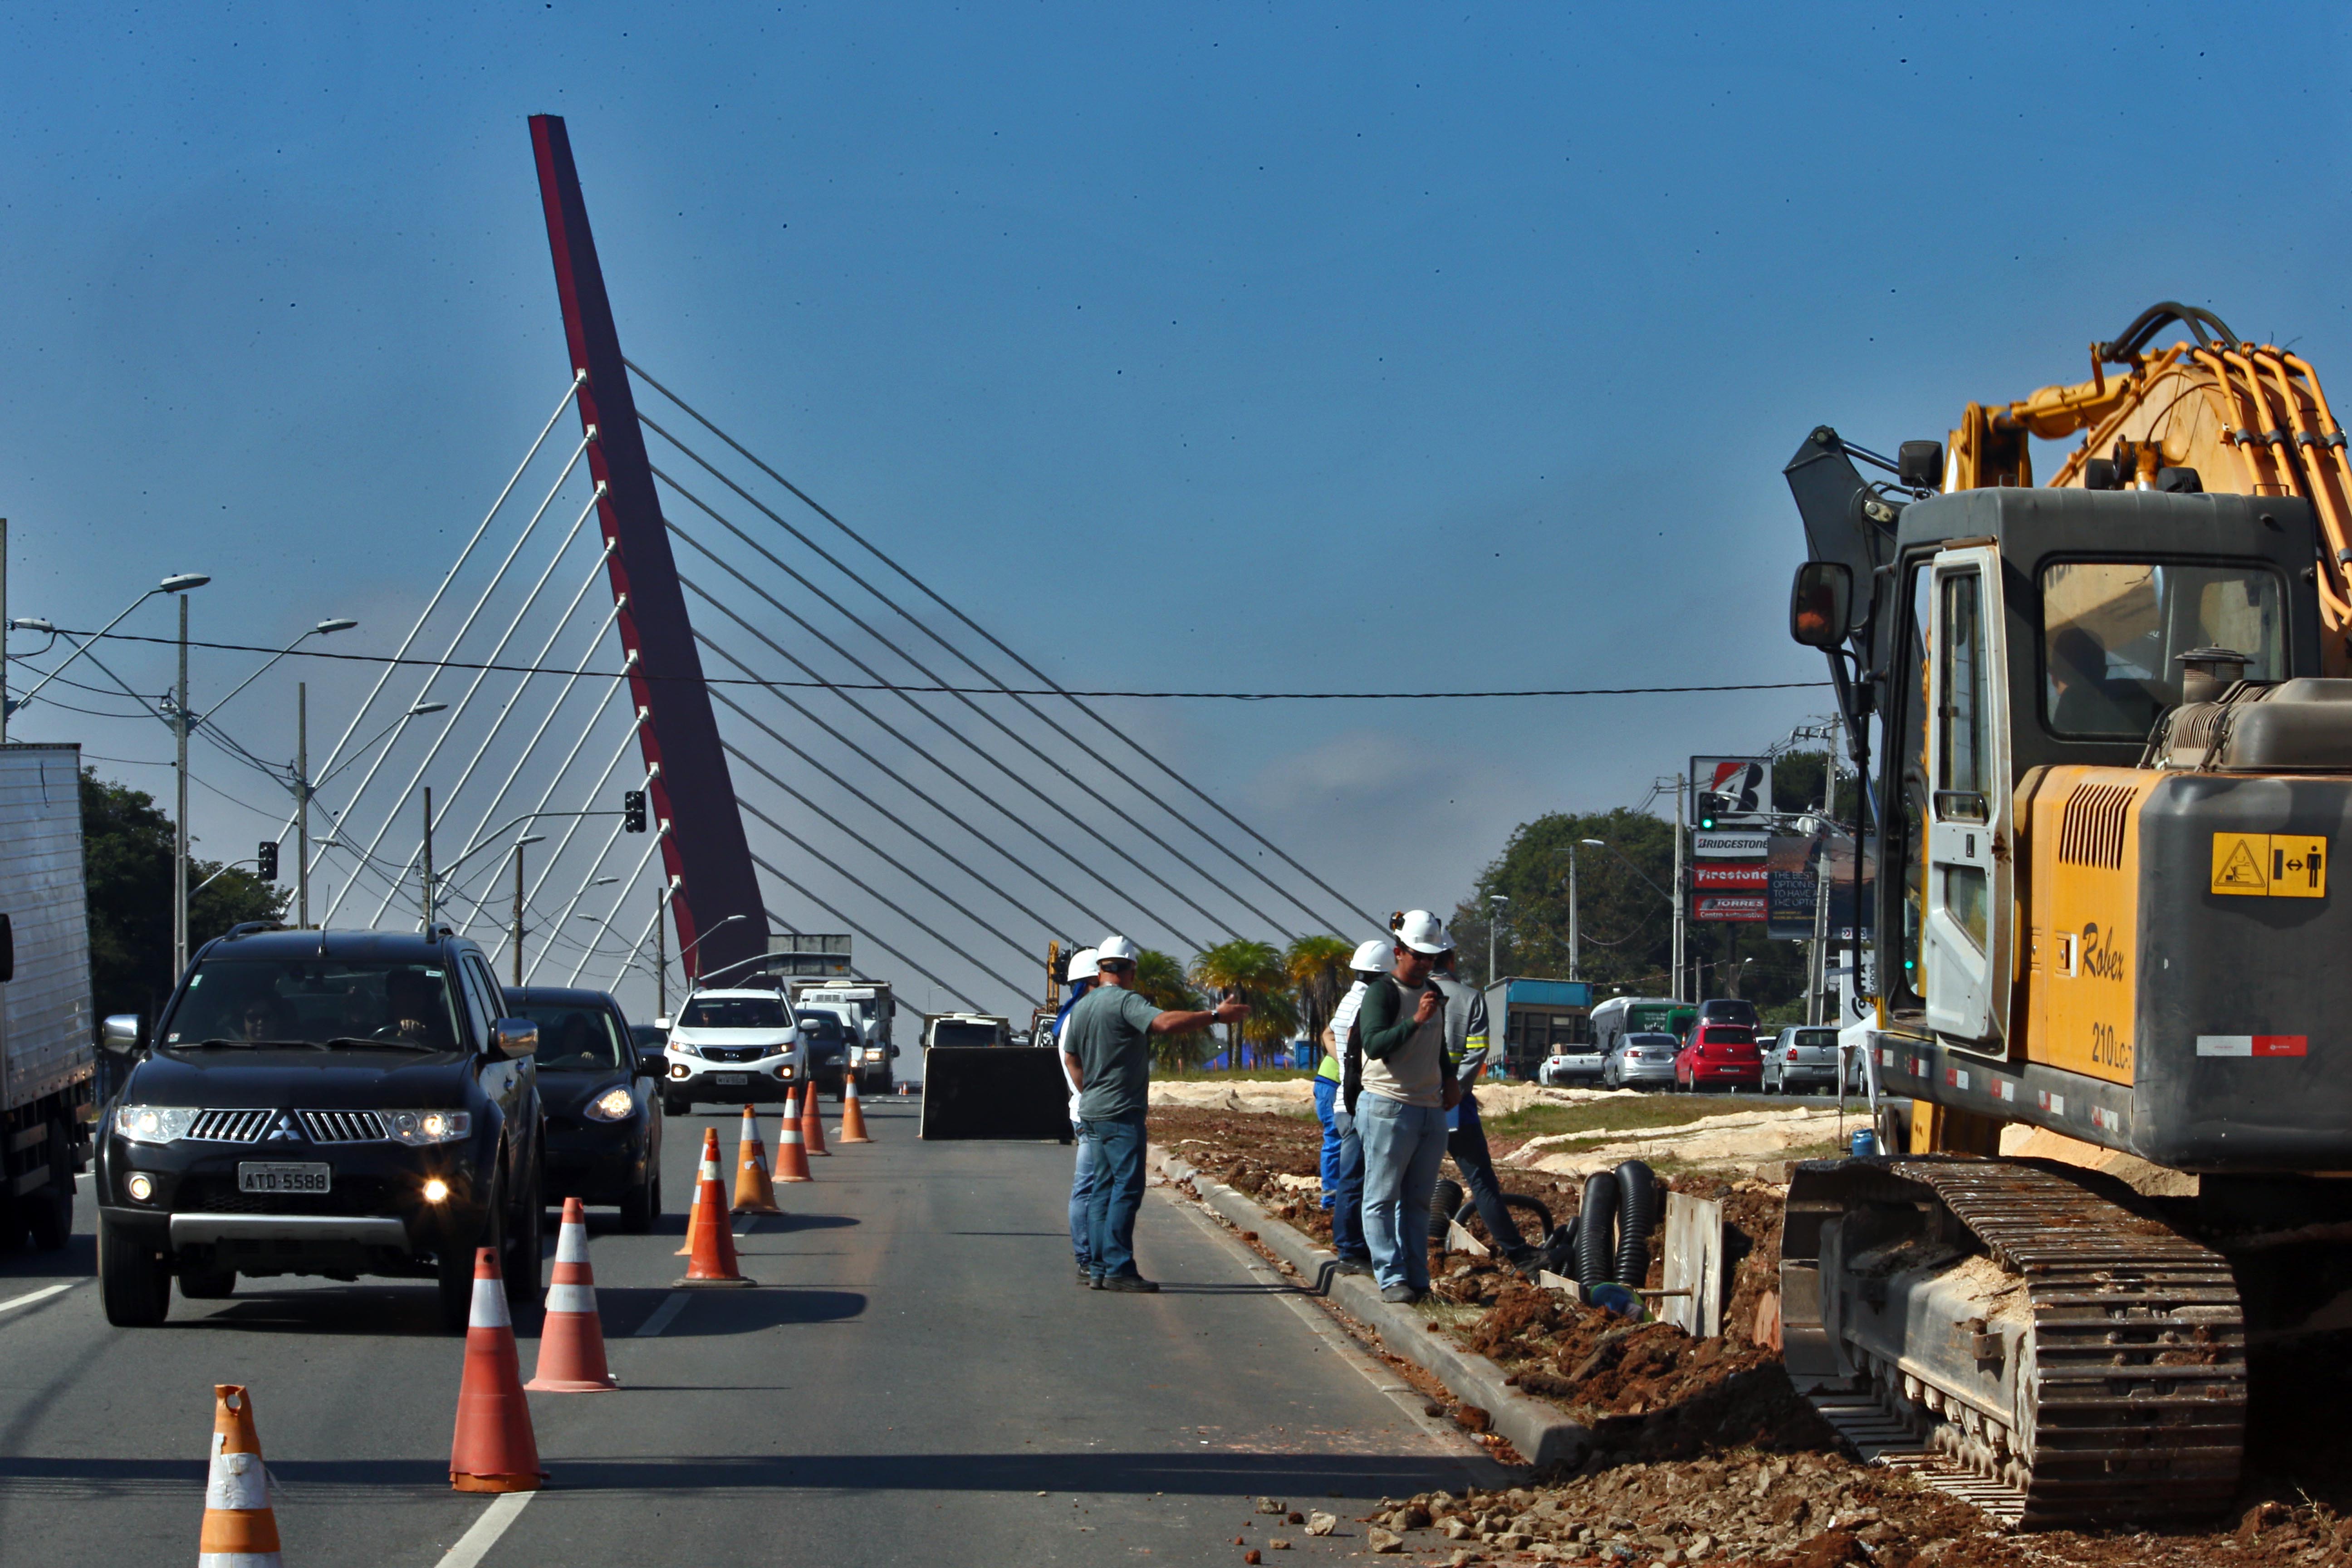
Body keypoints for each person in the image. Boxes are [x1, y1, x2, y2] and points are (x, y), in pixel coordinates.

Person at [1066, 934, 1247, 1292]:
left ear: (1101, 969)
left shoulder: (1083, 1008)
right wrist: (1215, 1015)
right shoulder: (1124, 1002)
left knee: (1101, 1188)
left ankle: (1099, 1267)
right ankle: (1119, 1267)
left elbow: (1072, 1059)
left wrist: (1092, 1092)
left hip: (1093, 1112)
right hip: (1121, 1113)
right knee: (1126, 1189)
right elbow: (1163, 1023)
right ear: (1131, 969)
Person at [1349, 910, 1460, 1303]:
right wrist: (1416, 1019)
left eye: (1433, 957)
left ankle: (1417, 1278)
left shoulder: (1433, 993)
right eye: (1420, 955)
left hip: (1429, 1109)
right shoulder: (1383, 992)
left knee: (1417, 1201)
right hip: (1389, 1108)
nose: (1427, 963)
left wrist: (1449, 1079)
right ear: (1399, 952)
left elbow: (1439, 1047)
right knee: (1382, 1197)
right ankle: (1391, 1276)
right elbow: (1375, 1044)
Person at [1431, 948, 1533, 1273]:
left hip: (1412, 1103)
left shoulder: (1403, 995)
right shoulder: (1470, 998)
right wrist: (1455, 1092)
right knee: (1482, 1183)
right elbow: (1477, 1053)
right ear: (1450, 959)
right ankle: (1520, 1255)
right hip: (1457, 1107)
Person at [1321, 939, 1391, 1276]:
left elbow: (1331, 1038)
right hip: (1357, 1103)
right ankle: (1351, 1250)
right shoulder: (1369, 1003)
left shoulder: (1348, 1001)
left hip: (1343, 1102)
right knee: (1358, 1179)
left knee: (1354, 1178)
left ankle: (1352, 1246)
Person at [1053, 946, 1100, 1285]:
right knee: (1088, 1189)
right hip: (1091, 1113)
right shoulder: (1082, 1016)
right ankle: (1087, 1259)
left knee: (1094, 1189)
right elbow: (1077, 1064)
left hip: (1085, 1110)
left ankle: (1093, 1257)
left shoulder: (1072, 1015)